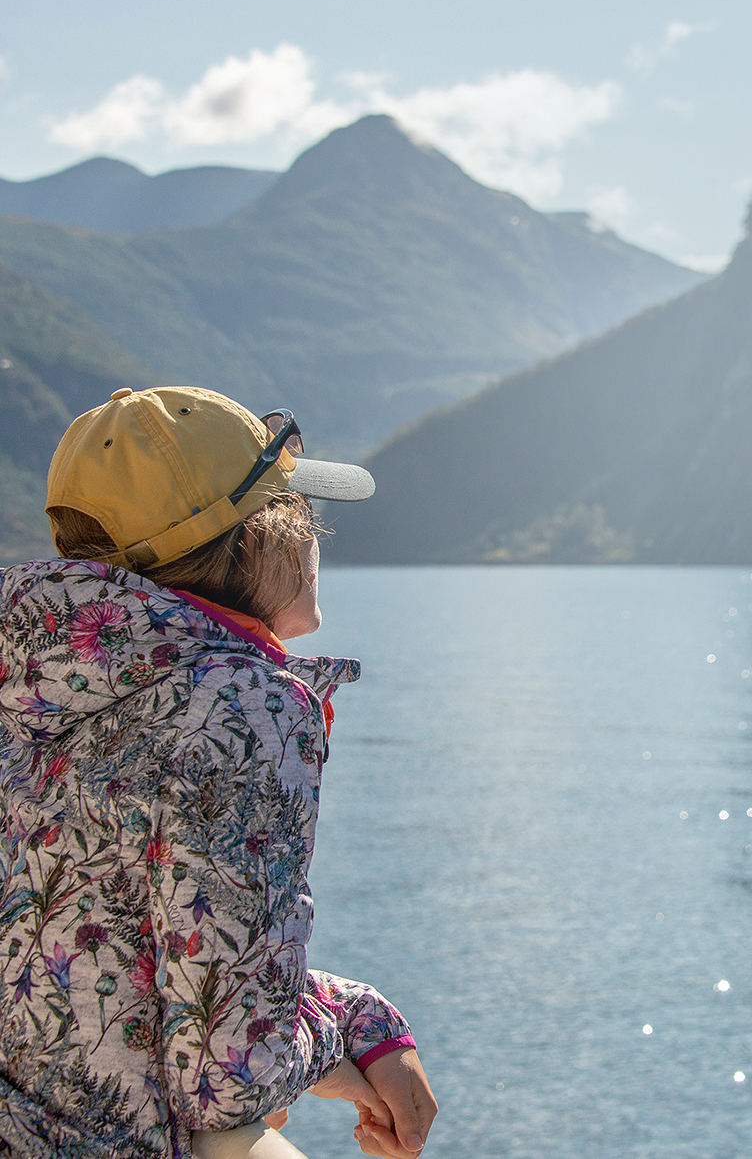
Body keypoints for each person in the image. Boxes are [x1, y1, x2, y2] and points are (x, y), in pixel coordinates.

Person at [0, 387, 437, 1159]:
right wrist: (356, 1023)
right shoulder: (240, 707)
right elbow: (229, 1073)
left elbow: (89, 949)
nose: (315, 537)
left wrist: (339, 1018)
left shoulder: (29, 670)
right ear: (254, 541)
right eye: (299, 510)